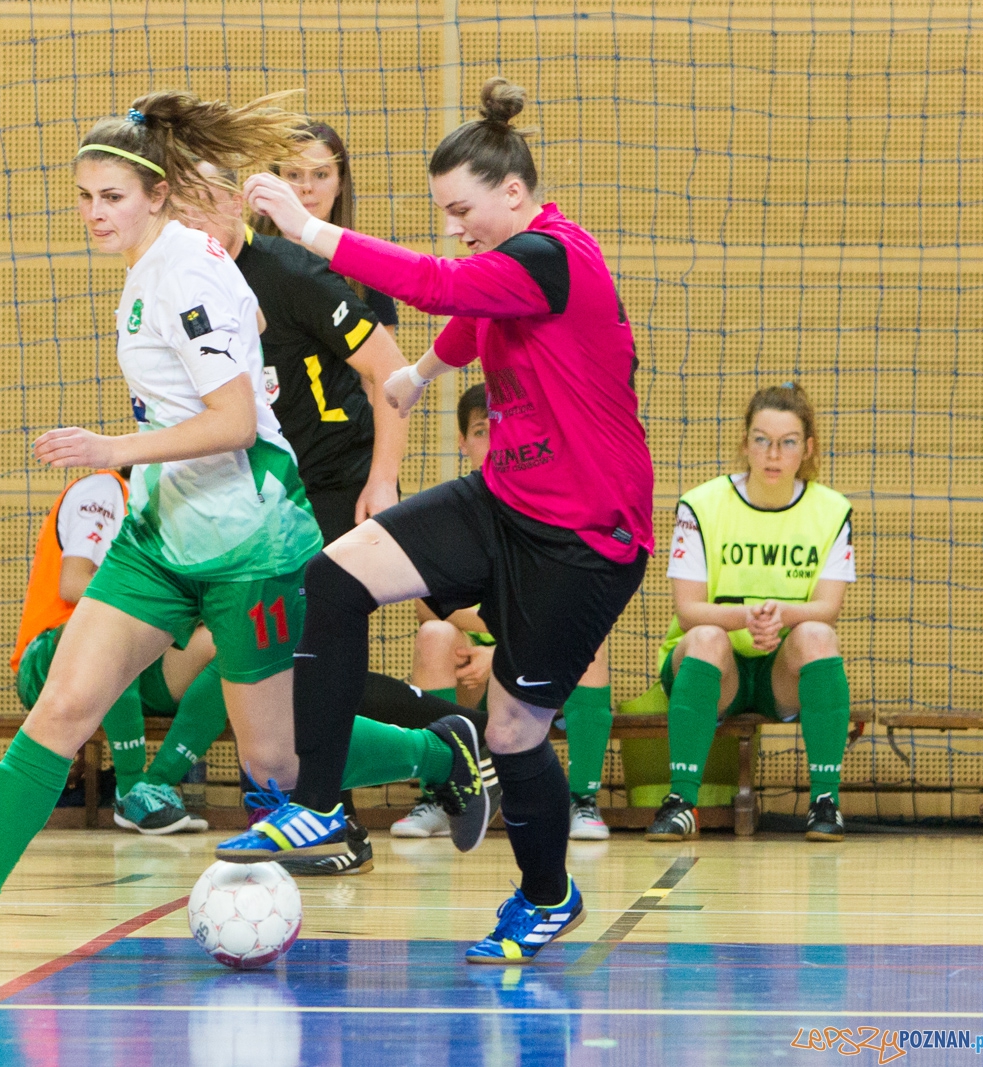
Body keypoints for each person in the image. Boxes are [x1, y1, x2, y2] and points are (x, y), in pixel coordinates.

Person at [219, 77, 654, 966]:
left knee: (512, 733)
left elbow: (440, 284)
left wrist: (306, 230)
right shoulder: (519, 267)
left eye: (464, 208)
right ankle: (323, 802)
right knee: (334, 577)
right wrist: (418, 375)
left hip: (586, 540)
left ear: (515, 195)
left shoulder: (555, 256)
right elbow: (471, 317)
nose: (454, 223)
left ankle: (547, 894)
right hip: (505, 501)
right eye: (444, 211)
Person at [0, 90, 323, 954]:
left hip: (250, 530)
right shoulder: (157, 264)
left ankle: (441, 761)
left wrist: (110, 445)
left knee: (273, 763)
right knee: (62, 707)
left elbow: (236, 422)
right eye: (84, 197)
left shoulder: (186, 270)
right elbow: (253, 333)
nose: (95, 214)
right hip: (162, 533)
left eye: (113, 198)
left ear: (155, 194)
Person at [179, 159, 410, 873]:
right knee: (277, 663)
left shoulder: (293, 273)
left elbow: (391, 368)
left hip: (338, 484)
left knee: (312, 657)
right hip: (270, 492)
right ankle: (411, 760)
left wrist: (385, 479)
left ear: (233, 202)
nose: (189, 221)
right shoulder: (189, 278)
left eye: (201, 202)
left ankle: (341, 812)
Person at [398, 385, 614, 842]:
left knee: (593, 644)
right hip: (472, 658)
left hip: (537, 656)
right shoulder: (448, 508)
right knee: (433, 635)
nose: (493, 442)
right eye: (480, 431)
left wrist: (500, 654)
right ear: (462, 442)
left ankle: (582, 801)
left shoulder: (555, 503)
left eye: (501, 428)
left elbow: (570, 600)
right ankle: (439, 796)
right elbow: (425, 599)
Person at [646, 383, 854, 843]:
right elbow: (687, 611)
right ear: (745, 445)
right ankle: (681, 802)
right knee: (704, 637)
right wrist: (747, 619)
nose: (773, 454)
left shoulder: (831, 510)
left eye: (787, 442)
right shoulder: (701, 505)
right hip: (716, 670)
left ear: (808, 448)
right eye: (761, 440)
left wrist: (777, 616)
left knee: (818, 635)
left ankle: (825, 802)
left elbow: (829, 607)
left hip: (782, 672)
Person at [3, 469, 228, 838]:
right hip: (49, 657)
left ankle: (153, 787)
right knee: (116, 630)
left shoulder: (164, 519)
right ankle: (129, 784)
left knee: (234, 643)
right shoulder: (107, 489)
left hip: (134, 656)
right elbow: (73, 584)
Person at [253, 122, 402, 338]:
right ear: (277, 182)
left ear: (340, 183)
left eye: (320, 175)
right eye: (294, 174)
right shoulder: (248, 257)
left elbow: (382, 369)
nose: (307, 187)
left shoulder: (365, 265)